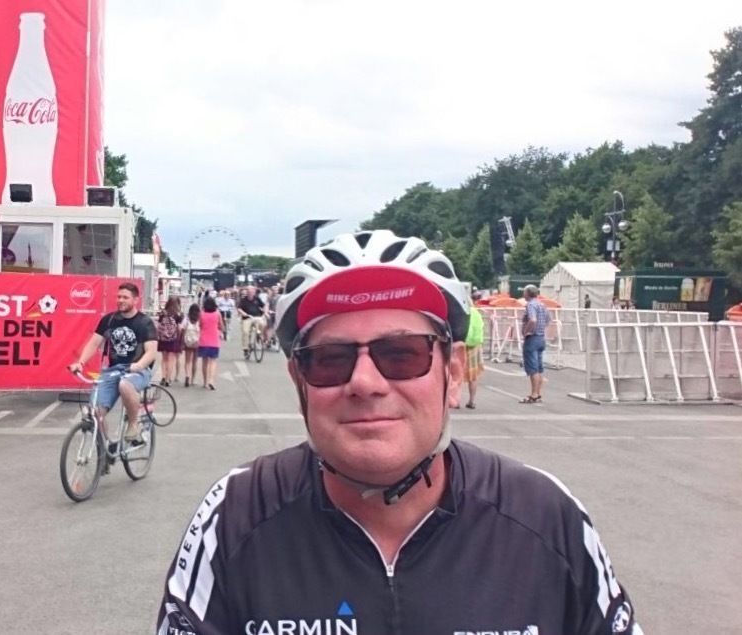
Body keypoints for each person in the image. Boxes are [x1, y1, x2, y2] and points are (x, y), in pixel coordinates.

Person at [157, 230, 639, 635]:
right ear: (299, 381)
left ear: (452, 373)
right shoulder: (235, 515)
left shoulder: (545, 516)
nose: (365, 382)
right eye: (330, 360)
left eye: (402, 354)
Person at [70, 282, 157, 442]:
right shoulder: (109, 320)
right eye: (119, 297)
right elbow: (94, 343)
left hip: (138, 370)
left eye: (125, 297)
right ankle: (105, 449)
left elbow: (151, 352)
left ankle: (133, 423)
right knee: (96, 411)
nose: (120, 300)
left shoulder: (145, 323)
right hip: (113, 370)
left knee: (125, 384)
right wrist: (80, 363)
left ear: (135, 300)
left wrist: (139, 365)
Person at [521, 284, 549, 404]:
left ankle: (534, 394)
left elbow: (532, 319)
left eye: (524, 292)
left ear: (528, 293)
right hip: (541, 338)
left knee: (533, 369)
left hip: (532, 338)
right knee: (539, 368)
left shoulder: (531, 305)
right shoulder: (542, 305)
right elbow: (548, 319)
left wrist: (526, 331)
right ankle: (537, 393)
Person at [156, 297, 184, 387]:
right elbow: (179, 328)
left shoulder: (163, 313)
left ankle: (163, 377)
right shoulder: (178, 314)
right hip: (173, 339)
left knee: (164, 359)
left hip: (163, 339)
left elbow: (158, 326)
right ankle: (168, 379)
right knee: (171, 360)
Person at [463, 294, 485, 409]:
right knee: (473, 376)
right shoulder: (477, 314)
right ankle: (471, 401)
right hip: (475, 346)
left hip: (461, 344)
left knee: (456, 374)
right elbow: (480, 330)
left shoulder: (462, 313)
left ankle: (454, 400)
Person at [198, 296, 222, 390]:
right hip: (214, 340)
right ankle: (211, 380)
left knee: (204, 362)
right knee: (213, 361)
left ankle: (205, 382)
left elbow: (200, 325)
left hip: (203, 340)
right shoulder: (217, 314)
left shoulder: (201, 314)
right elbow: (221, 325)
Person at [236, 285, 266, 360]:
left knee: (262, 324)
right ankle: (245, 348)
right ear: (247, 292)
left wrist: (264, 311)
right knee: (245, 332)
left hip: (257, 317)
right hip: (247, 318)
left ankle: (259, 336)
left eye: (252, 291)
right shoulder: (243, 300)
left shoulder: (257, 299)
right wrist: (243, 313)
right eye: (249, 291)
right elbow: (239, 308)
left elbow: (263, 305)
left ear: (254, 292)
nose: (250, 293)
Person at [181, 303, 202, 387]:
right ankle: (193, 380)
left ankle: (187, 376)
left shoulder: (186, 318)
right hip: (197, 342)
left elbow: (182, 329)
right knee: (195, 361)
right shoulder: (199, 319)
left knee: (187, 361)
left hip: (188, 342)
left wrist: (182, 340)